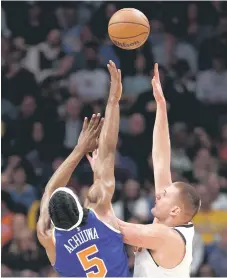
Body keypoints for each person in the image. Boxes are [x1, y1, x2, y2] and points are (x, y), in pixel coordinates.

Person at [88, 64, 201, 278]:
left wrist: (100, 179)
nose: (158, 193)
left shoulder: (165, 236)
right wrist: (161, 106)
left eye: (165, 195)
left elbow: (112, 226)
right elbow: (160, 159)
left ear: (175, 211)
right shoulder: (170, 225)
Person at [36, 60, 130, 277]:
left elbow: (48, 189)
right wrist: (114, 100)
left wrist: (78, 151)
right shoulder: (101, 211)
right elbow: (107, 151)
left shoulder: (48, 237)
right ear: (80, 205)